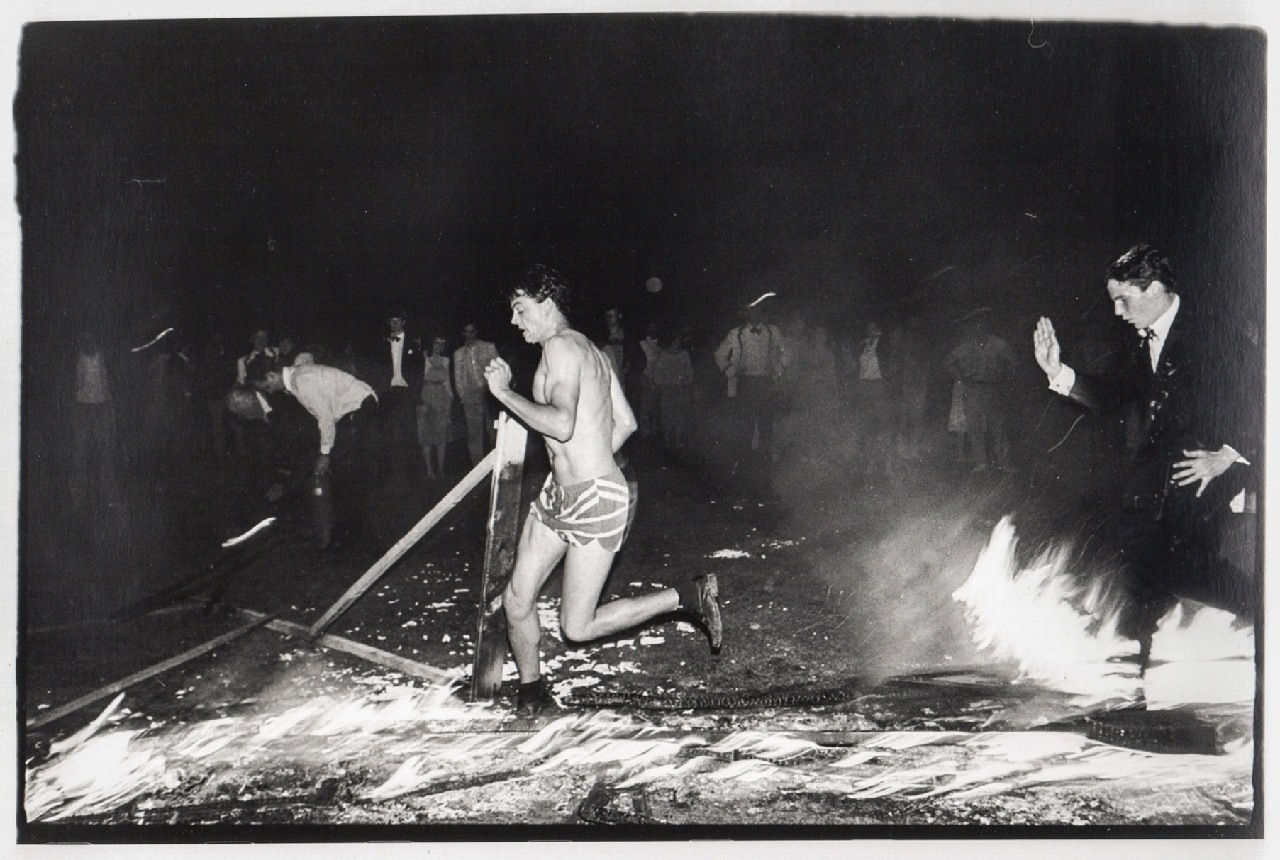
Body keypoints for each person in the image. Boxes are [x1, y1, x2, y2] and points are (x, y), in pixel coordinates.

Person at [483, 265, 723, 715]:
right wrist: (582, 465)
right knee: (517, 598)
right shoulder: (594, 351)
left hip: (593, 501)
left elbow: (560, 422)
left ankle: (686, 597)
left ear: (545, 302)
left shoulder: (558, 347)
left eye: (520, 310)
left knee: (578, 626)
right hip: (562, 493)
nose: (515, 322)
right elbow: (626, 423)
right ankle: (532, 694)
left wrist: (503, 393)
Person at [1032, 243, 1255, 665]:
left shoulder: (1212, 332)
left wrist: (1229, 454)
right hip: (1162, 482)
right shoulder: (1144, 338)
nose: (1118, 311)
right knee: (1152, 567)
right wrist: (1057, 371)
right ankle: (1138, 664)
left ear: (1152, 288)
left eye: (1123, 299)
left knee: (1183, 569)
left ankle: (1260, 612)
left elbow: (1261, 397)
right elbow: (1113, 395)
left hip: (1210, 475)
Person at [247, 356, 380, 548]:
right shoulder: (297, 377)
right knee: (348, 478)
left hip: (358, 410)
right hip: (353, 412)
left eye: (267, 386)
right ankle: (352, 536)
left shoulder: (301, 380)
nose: (270, 391)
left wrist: (325, 454)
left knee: (350, 477)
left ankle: (357, 539)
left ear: (272, 375)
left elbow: (325, 417)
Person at [714, 296, 788, 467]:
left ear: (763, 313)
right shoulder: (737, 333)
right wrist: (730, 370)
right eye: (751, 311)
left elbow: (786, 352)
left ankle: (764, 458)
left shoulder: (772, 331)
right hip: (745, 382)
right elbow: (719, 354)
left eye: (758, 311)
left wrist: (778, 369)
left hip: (766, 381)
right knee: (745, 421)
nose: (754, 314)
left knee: (766, 421)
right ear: (746, 313)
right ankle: (744, 458)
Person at [947, 312, 1016, 472]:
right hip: (972, 389)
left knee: (997, 426)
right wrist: (962, 377)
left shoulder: (999, 344)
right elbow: (948, 361)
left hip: (992, 388)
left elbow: (1014, 361)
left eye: (983, 327)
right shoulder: (966, 346)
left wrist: (1005, 376)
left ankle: (1004, 462)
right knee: (974, 426)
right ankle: (981, 461)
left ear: (988, 328)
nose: (980, 330)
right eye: (976, 327)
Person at [377, 311, 423, 485]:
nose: (394, 325)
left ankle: (413, 476)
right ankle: (387, 474)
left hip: (406, 390)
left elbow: (419, 370)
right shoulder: (382, 342)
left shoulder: (413, 342)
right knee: (386, 431)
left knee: (410, 432)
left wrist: (416, 394)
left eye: (397, 321)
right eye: (391, 322)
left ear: (403, 322)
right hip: (389, 391)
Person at [453, 321, 500, 465]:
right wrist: (463, 395)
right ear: (463, 333)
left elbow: (498, 368)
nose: (470, 334)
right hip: (471, 395)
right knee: (474, 434)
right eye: (466, 331)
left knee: (493, 431)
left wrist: (497, 391)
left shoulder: (488, 347)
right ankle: (477, 468)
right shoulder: (458, 353)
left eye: (472, 331)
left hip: (489, 393)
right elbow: (458, 376)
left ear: (476, 332)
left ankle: (497, 463)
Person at [650, 328, 694, 450]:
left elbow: (689, 372)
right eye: (676, 339)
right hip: (667, 390)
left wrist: (686, 384)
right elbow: (658, 374)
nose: (678, 342)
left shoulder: (684, 355)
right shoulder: (663, 355)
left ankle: (678, 439)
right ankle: (668, 439)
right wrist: (661, 385)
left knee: (680, 416)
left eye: (679, 339)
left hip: (680, 389)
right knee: (667, 415)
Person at [417, 334, 453, 480]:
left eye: (442, 344)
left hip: (442, 398)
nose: (439, 347)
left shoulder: (446, 360)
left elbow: (447, 382)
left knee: (441, 435)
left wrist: (451, 399)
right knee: (427, 435)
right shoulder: (424, 359)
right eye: (436, 343)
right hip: (427, 396)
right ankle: (429, 470)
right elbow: (422, 379)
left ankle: (440, 470)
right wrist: (422, 403)